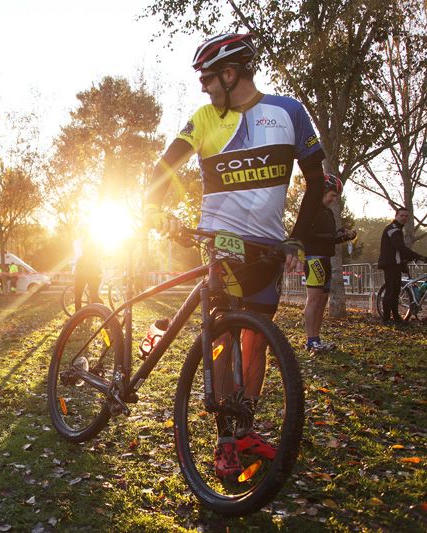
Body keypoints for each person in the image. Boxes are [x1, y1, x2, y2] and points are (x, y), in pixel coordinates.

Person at [144, 33, 326, 480]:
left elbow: (317, 181)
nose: (203, 87)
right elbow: (164, 167)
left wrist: (297, 240)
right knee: (224, 339)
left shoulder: (289, 112)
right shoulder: (205, 119)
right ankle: (225, 439)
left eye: (208, 78)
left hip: (268, 247)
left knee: (256, 341)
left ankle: (244, 429)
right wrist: (152, 207)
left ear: (230, 74)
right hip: (222, 244)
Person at [302, 174, 356, 352]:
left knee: (323, 300)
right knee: (314, 299)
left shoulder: (328, 212)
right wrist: (333, 236)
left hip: (326, 258)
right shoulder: (310, 208)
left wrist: (343, 236)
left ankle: (316, 338)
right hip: (314, 259)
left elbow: (328, 238)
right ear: (323, 190)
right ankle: (310, 340)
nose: (334, 199)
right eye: (332, 195)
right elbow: (308, 235)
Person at [378, 207, 427, 324]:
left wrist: (409, 259)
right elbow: (400, 247)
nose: (404, 218)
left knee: (395, 292)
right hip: (391, 264)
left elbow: (398, 249)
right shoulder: (393, 230)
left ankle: (396, 318)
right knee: (391, 292)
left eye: (406, 216)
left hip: (395, 264)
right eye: (401, 215)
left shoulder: (396, 229)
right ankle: (386, 319)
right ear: (396, 216)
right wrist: (418, 256)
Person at [74, 231, 102, 312]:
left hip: (83, 273)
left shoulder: (81, 245)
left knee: (78, 295)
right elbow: (96, 259)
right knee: (94, 295)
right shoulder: (92, 246)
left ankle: (78, 315)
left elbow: (78, 257)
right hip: (91, 272)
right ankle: (98, 312)